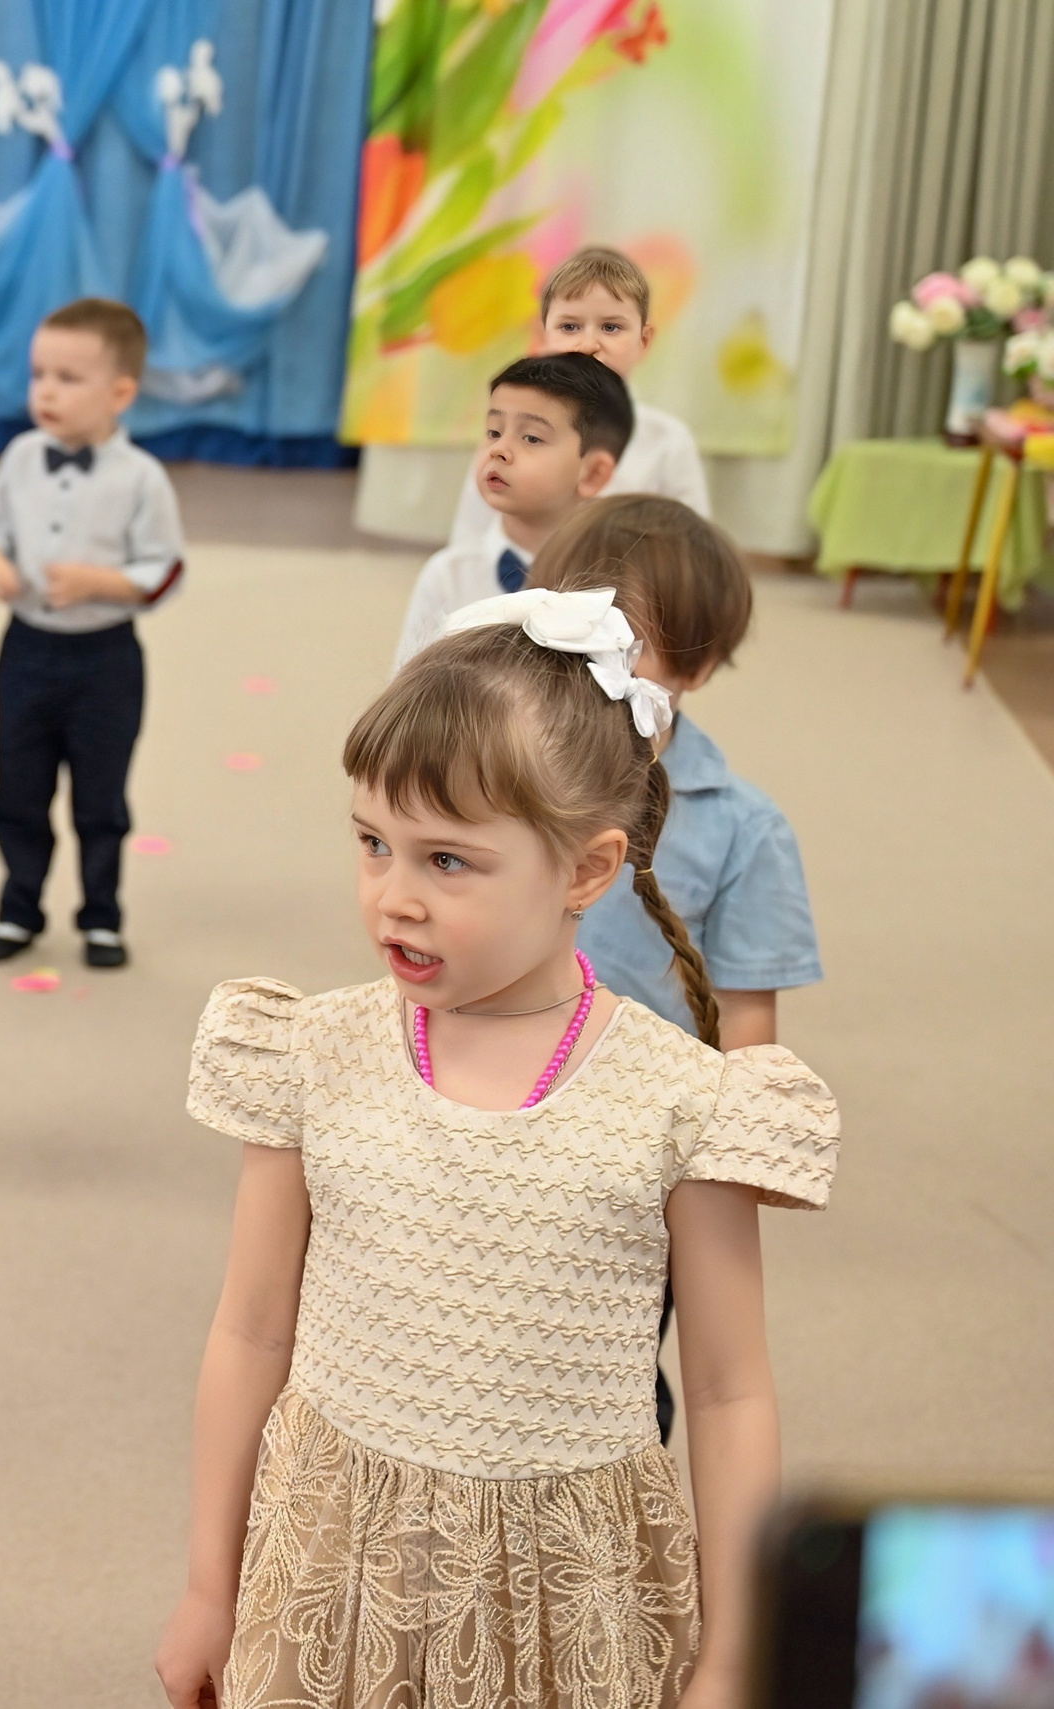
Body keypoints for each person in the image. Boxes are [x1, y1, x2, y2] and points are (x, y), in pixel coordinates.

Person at [155, 589, 839, 1709]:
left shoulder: (682, 1102)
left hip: (567, 1603)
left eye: (448, 861)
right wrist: (207, 1584)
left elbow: (726, 1394)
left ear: (586, 870)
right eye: (373, 844)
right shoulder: (311, 1052)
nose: (394, 898)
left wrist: (730, 1657)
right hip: (334, 1572)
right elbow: (251, 1327)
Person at [534, 494, 825, 1447]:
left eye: (628, 643)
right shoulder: (500, 774)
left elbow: (747, 1029)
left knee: (609, 1379)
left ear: (694, 667)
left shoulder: (744, 828)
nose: (595, 661)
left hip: (633, 1154)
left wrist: (723, 1169)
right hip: (482, 1109)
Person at [0, 298, 184, 971]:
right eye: (39, 375)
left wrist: (103, 583)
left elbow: (164, 568)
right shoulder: (20, 457)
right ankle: (19, 906)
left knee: (100, 795)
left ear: (120, 393)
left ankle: (101, 915)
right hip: (26, 648)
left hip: (105, 658)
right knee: (17, 788)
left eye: (67, 378)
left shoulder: (141, 478)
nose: (46, 392)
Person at [449, 246, 710, 548]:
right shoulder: (506, 435)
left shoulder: (668, 442)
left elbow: (694, 552)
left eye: (611, 327)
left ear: (643, 340)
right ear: (543, 336)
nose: (587, 345)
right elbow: (469, 540)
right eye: (569, 327)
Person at [393, 350, 630, 669]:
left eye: (531, 437)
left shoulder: (623, 584)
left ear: (593, 474)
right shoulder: (449, 576)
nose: (499, 449)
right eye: (493, 432)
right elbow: (407, 685)